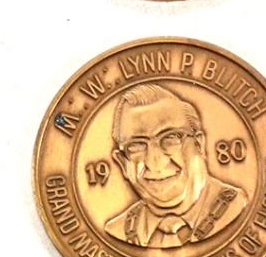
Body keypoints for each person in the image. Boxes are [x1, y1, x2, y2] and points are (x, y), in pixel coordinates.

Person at [103, 84, 247, 247]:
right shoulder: (117, 231)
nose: (155, 163)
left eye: (171, 138)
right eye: (136, 145)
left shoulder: (237, 207)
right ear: (123, 163)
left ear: (199, 144)